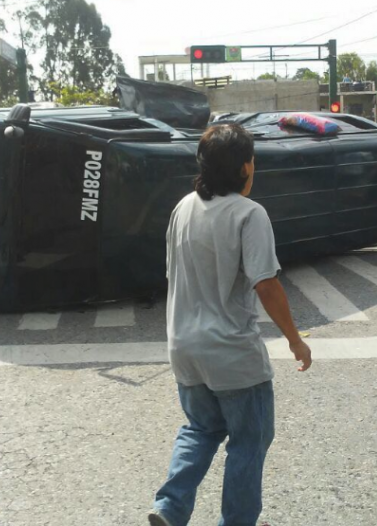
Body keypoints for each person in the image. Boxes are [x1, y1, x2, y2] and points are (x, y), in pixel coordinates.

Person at [150, 124, 312, 526]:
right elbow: (266, 284)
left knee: (201, 428)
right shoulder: (248, 213)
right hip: (231, 353)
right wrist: (295, 340)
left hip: (183, 347)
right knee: (249, 441)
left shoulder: (183, 207)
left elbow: (174, 274)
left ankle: (170, 508)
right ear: (244, 166)